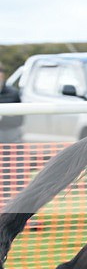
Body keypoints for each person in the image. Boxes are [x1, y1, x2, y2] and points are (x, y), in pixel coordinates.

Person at [0, 64, 25, 205]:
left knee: (17, 178)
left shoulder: (13, 94)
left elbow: (20, 119)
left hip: (12, 143)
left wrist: (3, 118)